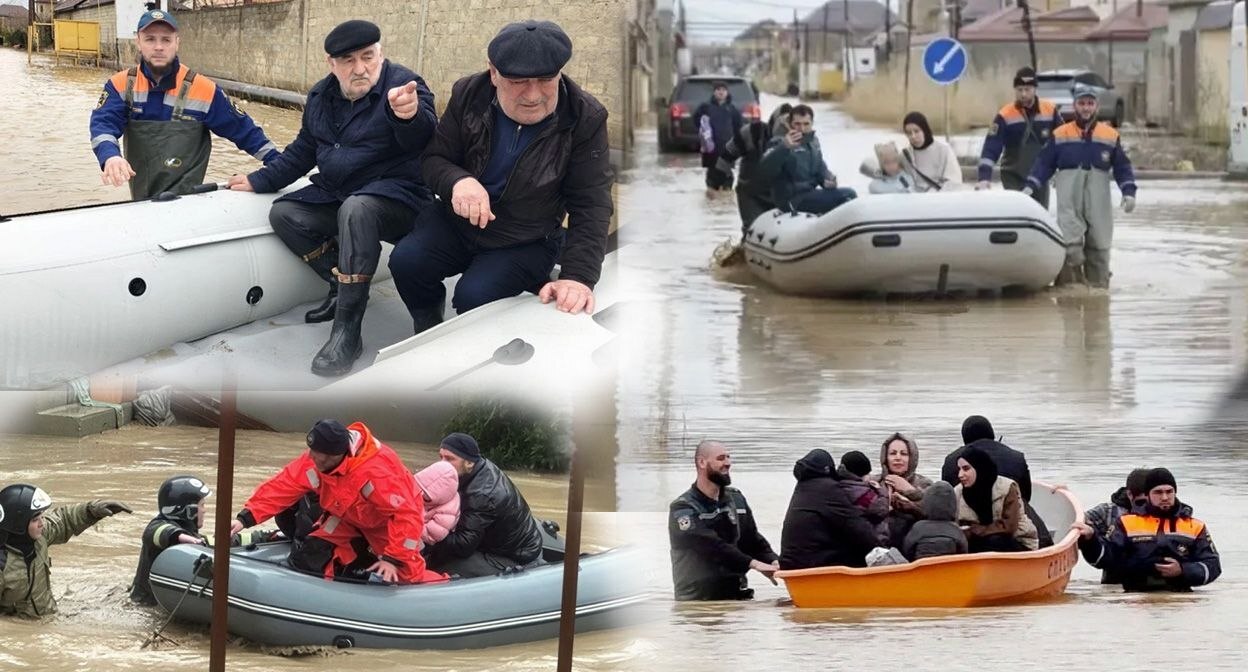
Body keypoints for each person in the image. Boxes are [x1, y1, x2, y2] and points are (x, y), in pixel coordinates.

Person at [227, 20, 438, 377]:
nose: (360, 68)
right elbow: (303, 151)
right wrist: (258, 179)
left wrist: (408, 116)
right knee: (286, 214)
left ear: (380, 53)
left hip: (399, 196)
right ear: (332, 64)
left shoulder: (404, 88)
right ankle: (340, 287)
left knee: (358, 209)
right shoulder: (321, 96)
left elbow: (426, 135)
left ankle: (347, 332)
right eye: (348, 60)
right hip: (340, 192)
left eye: (368, 57)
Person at [387, 20, 613, 335]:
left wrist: (578, 276)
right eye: (518, 80)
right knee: (406, 262)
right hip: (458, 222)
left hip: (526, 237)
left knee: (474, 295)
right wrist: (458, 181)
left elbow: (592, 202)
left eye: (546, 79)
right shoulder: (468, 93)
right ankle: (427, 322)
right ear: (493, 73)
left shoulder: (586, 118)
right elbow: (434, 158)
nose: (533, 95)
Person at [89, 9, 279, 199]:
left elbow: (244, 131)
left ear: (177, 43)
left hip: (189, 201)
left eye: (166, 40)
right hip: (142, 201)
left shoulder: (204, 89)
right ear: (138, 42)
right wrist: (110, 156)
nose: (158, 47)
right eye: (150, 39)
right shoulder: (120, 85)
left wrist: (280, 168)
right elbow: (103, 125)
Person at [230, 419, 446, 585]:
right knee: (312, 552)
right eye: (312, 452)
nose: (313, 459)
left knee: (407, 576)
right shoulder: (317, 458)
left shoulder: (376, 471)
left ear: (337, 454)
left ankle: (444, 584)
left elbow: (406, 514)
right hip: (347, 517)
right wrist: (245, 517)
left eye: (319, 456)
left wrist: (393, 558)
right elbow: (284, 485)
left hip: (385, 526)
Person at [1024, 84, 1137, 288]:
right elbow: (1044, 163)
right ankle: (1070, 294)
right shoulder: (1060, 134)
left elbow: (1122, 167)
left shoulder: (1110, 135)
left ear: (1097, 106)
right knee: (1070, 247)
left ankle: (1098, 296)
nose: (1086, 108)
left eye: (1090, 104)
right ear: (1075, 105)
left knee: (1100, 248)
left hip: (1098, 203)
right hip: (1070, 202)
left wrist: (1129, 192)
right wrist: (1031, 185)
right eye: (1082, 103)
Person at [130, 475, 278, 605]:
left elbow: (224, 542)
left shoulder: (194, 538)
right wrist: (180, 537)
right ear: (189, 511)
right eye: (202, 505)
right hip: (145, 604)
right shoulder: (159, 526)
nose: (205, 510)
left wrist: (265, 536)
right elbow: (155, 532)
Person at [1074, 468, 1220, 592]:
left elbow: (1212, 566)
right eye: (1158, 492)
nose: (1165, 497)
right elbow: (1105, 559)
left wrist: (1182, 570)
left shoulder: (1195, 526)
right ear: (1148, 495)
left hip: (1180, 600)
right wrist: (1090, 540)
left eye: (1169, 491)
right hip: (1135, 602)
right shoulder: (1126, 523)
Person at [1, 484, 132, 618]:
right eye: (35, 519)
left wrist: (92, 510)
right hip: (23, 631)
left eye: (41, 517)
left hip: (46, 620)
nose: (42, 523)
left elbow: (64, 520)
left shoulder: (40, 537)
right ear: (18, 524)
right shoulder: (2, 564)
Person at [423, 433, 545, 577]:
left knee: (436, 566)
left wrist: (424, 533)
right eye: (441, 457)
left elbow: (464, 544)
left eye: (450, 459)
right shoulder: (473, 469)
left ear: (469, 463)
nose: (442, 464)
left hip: (512, 556)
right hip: (496, 538)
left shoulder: (482, 494)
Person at [669, 440, 778, 600]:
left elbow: (752, 540)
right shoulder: (682, 508)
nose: (728, 463)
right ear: (702, 462)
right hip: (698, 603)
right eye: (721, 458)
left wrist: (774, 560)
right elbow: (711, 546)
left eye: (728, 457)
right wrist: (754, 564)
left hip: (738, 597)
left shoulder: (737, 499)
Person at [941, 415, 1053, 548]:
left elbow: (947, 499)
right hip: (1009, 520)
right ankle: (1046, 547)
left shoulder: (951, 460)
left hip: (974, 528)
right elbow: (1026, 494)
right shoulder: (1016, 457)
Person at [780, 449, 879, 570]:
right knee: (860, 552)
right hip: (815, 566)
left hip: (792, 564)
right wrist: (882, 550)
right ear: (829, 469)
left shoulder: (802, 488)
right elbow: (858, 527)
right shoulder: (829, 489)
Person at [975, 67, 1060, 207]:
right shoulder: (1005, 115)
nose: (1023, 94)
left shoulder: (1050, 111)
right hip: (1012, 176)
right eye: (1019, 90)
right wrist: (984, 177)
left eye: (1027, 89)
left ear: (1035, 88)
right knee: (1018, 211)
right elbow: (991, 146)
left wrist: (1062, 169)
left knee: (1039, 214)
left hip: (1040, 175)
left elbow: (1062, 142)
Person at [759, 104, 857, 215]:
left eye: (806, 124)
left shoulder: (814, 142)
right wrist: (784, 147)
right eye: (797, 124)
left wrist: (828, 179)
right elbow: (764, 169)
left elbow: (820, 168)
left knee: (846, 194)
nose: (802, 128)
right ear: (790, 124)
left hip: (810, 194)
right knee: (849, 194)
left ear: (812, 123)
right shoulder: (778, 142)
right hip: (791, 199)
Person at [717, 104, 792, 232]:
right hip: (751, 194)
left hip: (780, 195)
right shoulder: (752, 132)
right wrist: (722, 182)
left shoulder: (800, 137)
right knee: (752, 230)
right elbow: (726, 156)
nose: (786, 128)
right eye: (783, 122)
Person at [953, 446, 1038, 552]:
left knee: (995, 541)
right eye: (959, 469)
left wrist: (973, 531)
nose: (960, 475)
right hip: (977, 544)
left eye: (966, 469)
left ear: (979, 468)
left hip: (1015, 541)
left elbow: (1009, 526)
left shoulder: (1006, 488)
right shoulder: (958, 492)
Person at [1084, 467, 1152, 585]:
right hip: (1115, 583)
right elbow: (1076, 520)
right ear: (1130, 494)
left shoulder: (1172, 515)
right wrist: (1063, 497)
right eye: (1142, 502)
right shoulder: (1107, 512)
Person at [872, 432, 933, 548]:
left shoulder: (926, 484)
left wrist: (910, 491)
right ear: (885, 457)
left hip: (914, 545)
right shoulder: (873, 482)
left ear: (912, 457)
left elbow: (936, 513)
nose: (898, 458)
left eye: (904, 454)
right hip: (879, 546)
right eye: (893, 453)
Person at [695, 81, 744, 194]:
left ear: (727, 92)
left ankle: (725, 200)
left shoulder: (732, 109)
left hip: (727, 149)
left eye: (723, 90)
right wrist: (703, 139)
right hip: (710, 150)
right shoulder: (705, 107)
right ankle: (712, 200)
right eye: (718, 90)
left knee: (727, 180)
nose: (721, 92)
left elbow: (739, 127)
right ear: (714, 92)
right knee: (712, 179)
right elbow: (697, 122)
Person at [901, 481, 969, 561]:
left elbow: (907, 550)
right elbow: (963, 553)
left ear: (926, 503)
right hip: (949, 570)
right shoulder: (955, 529)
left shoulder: (918, 528)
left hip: (921, 570)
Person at [899, 111, 962, 192]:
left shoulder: (944, 150)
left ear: (925, 130)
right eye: (909, 133)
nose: (913, 136)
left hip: (938, 199)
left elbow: (954, 181)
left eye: (916, 131)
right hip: (914, 200)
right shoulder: (905, 156)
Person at [836, 450, 890, 545]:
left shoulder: (837, 486)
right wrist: (881, 491)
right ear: (861, 474)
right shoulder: (863, 494)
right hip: (870, 541)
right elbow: (882, 509)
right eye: (867, 473)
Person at [413, 460, 462, 548]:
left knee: (406, 547)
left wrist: (410, 522)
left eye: (425, 497)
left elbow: (431, 536)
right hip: (410, 524)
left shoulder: (449, 510)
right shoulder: (419, 487)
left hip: (422, 540)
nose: (420, 495)